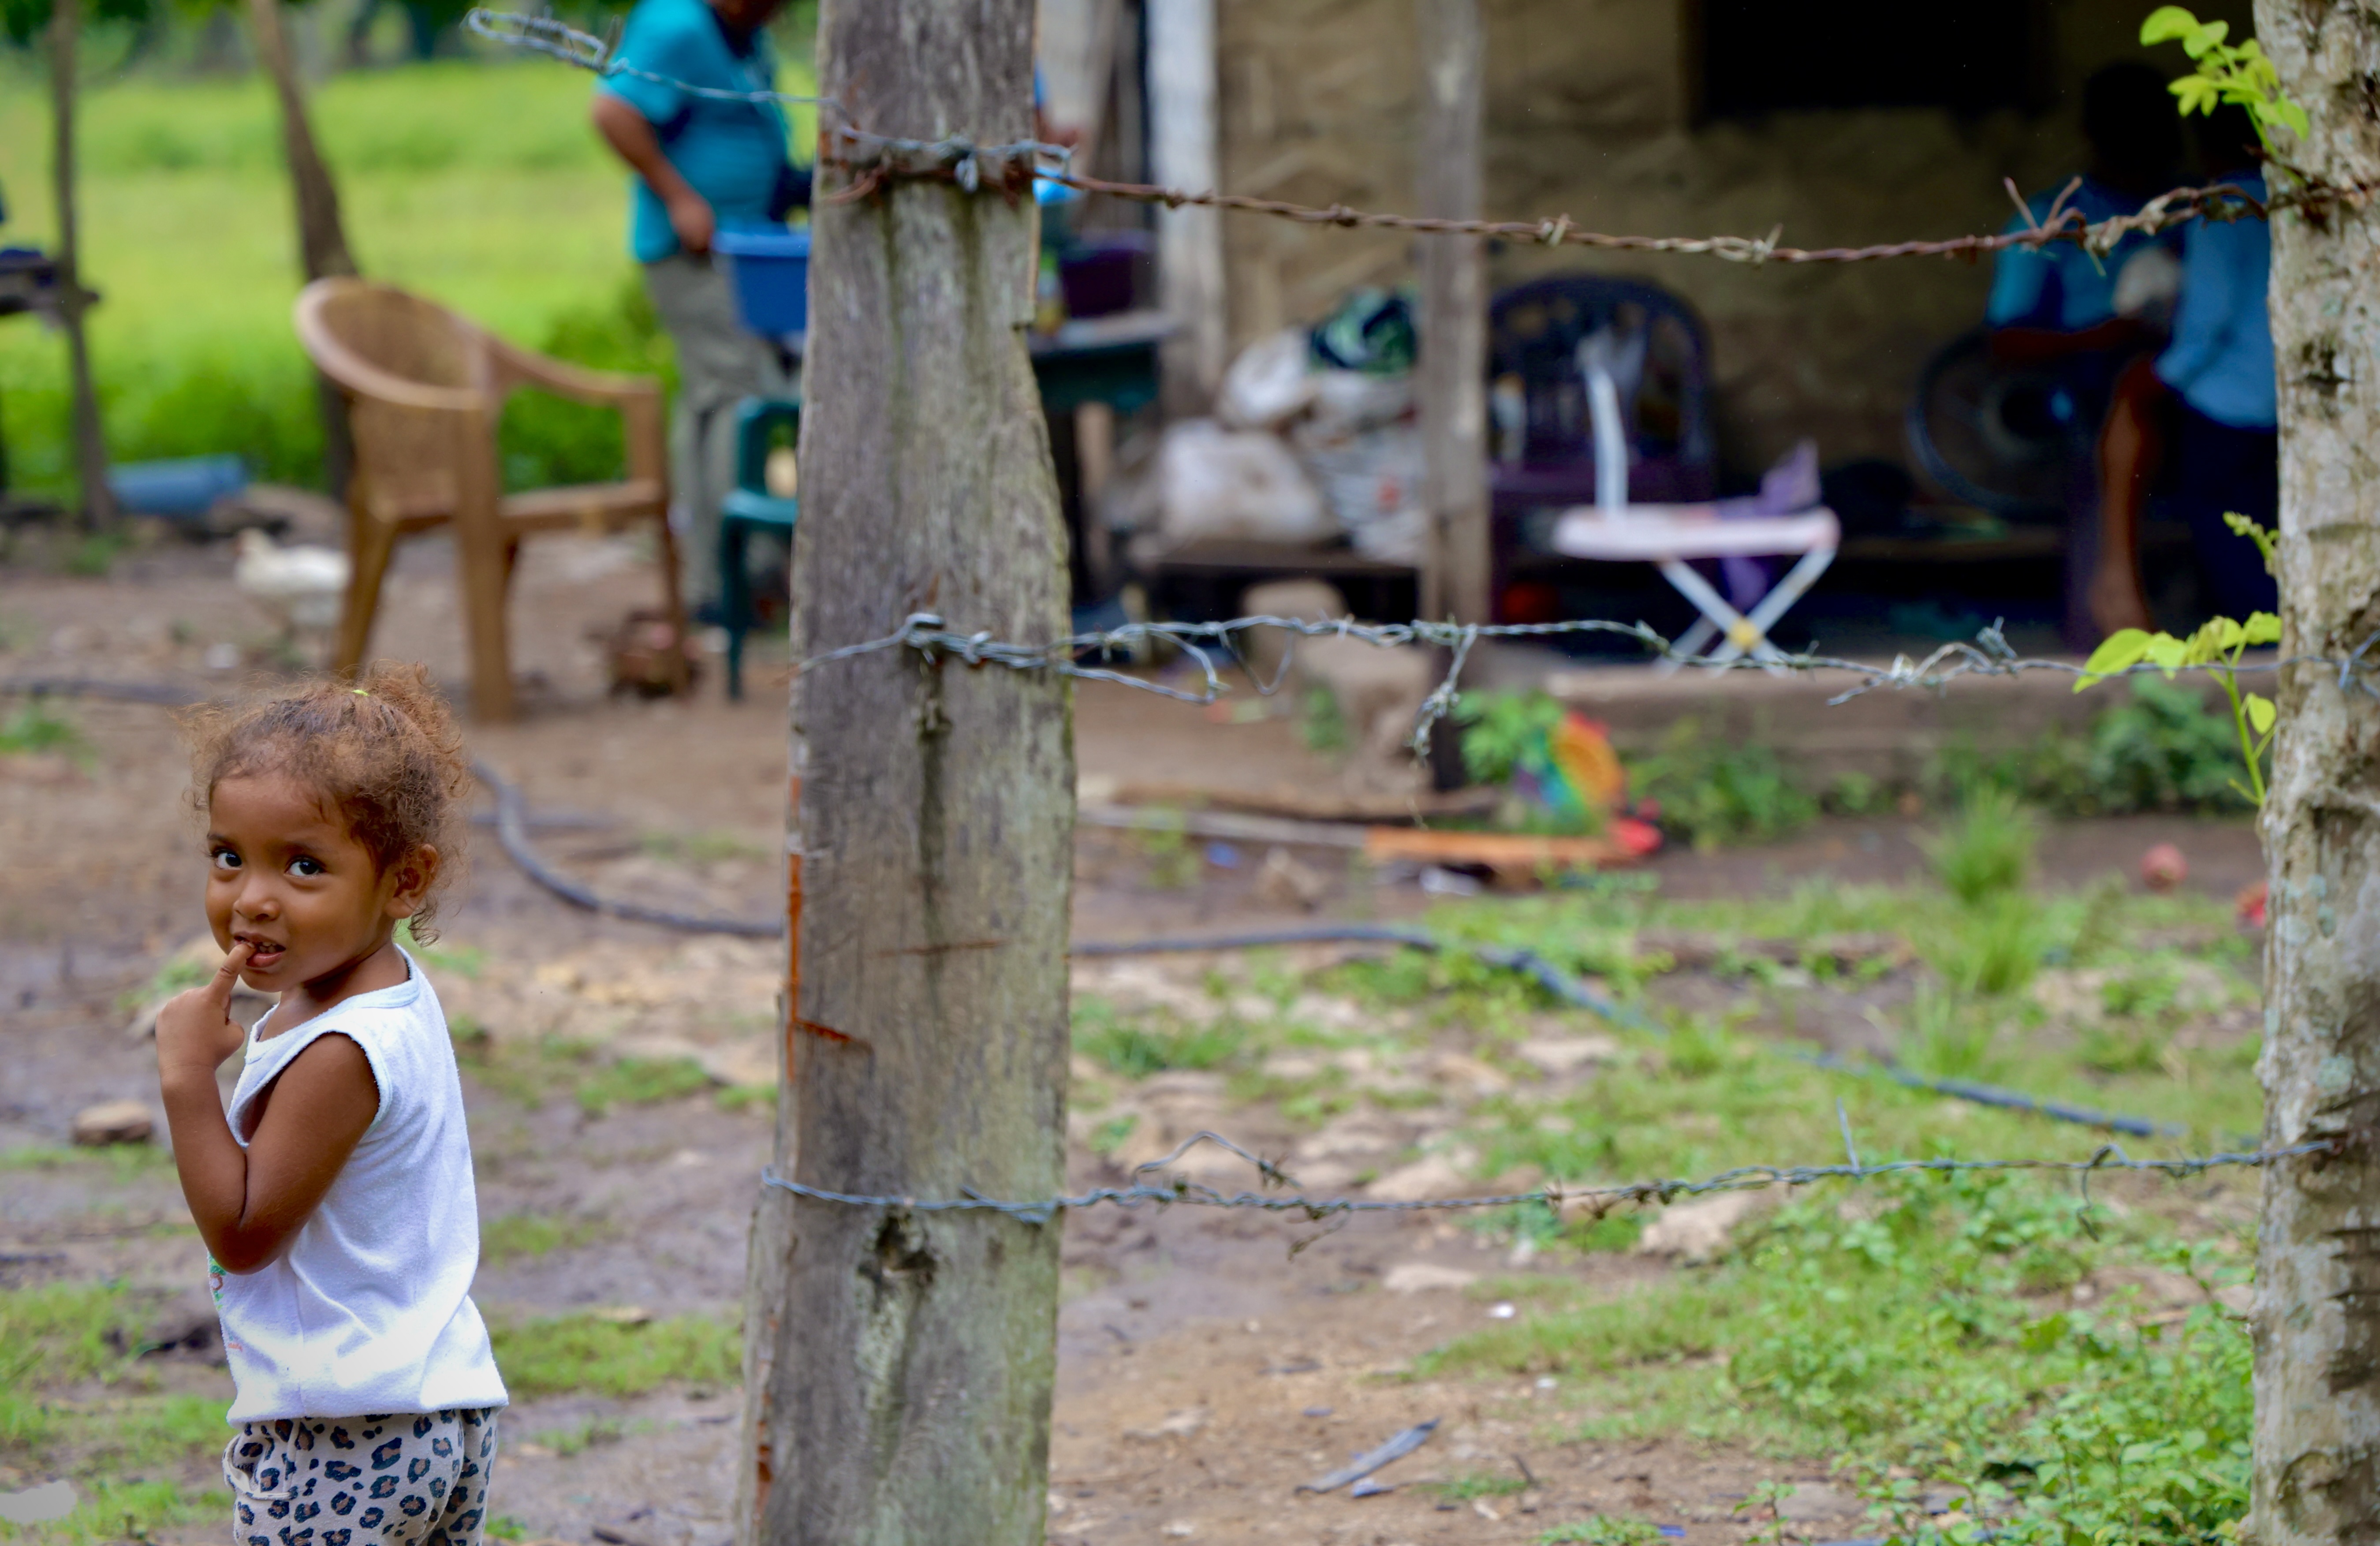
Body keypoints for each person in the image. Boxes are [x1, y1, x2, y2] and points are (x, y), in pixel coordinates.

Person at [154, 665, 507, 1546]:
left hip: (344, 1435)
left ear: (404, 881)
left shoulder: (338, 1051)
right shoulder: (383, 993)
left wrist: (186, 1080)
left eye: (304, 865)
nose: (251, 898)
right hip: (436, 1404)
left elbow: (244, 1235)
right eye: (229, 857)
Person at [591, 0, 808, 623]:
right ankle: (732, 581)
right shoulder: (677, 25)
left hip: (746, 247)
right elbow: (613, 111)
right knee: (739, 396)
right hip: (695, 253)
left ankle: (717, 577)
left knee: (713, 401)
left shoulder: (743, 35)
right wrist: (680, 198)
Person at [2088, 104, 2278, 631]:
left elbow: (2207, 324)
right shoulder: (2288, 198)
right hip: (2279, 399)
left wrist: (2160, 376)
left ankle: (2259, 638)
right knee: (2265, 524)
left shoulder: (2220, 208)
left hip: (2226, 401)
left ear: (2209, 148)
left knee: (2225, 526)